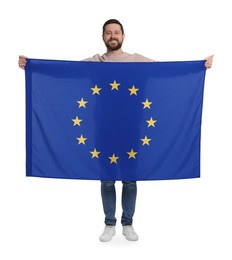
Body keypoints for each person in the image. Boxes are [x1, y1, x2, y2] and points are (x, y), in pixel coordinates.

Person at [18, 19, 214, 242]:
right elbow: (66, 71)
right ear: (103, 37)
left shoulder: (137, 60)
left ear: (123, 36)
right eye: (108, 33)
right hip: (103, 130)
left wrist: (199, 66)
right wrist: (31, 65)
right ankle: (109, 223)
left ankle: (128, 223)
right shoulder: (95, 62)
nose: (113, 36)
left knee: (130, 178)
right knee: (107, 178)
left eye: (117, 32)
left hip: (131, 130)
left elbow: (166, 71)